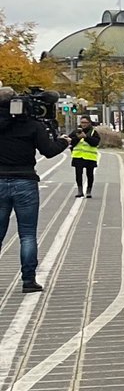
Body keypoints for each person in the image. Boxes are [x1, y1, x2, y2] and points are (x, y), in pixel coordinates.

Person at [0, 86, 65, 293]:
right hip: (25, 181)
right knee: (27, 234)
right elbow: (49, 151)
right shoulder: (32, 125)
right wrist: (64, 141)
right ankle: (28, 280)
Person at [68, 121, 101, 198]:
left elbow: (95, 142)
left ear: (89, 123)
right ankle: (80, 191)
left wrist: (86, 137)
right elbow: (70, 142)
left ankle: (88, 191)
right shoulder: (76, 132)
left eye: (86, 122)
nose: (84, 124)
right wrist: (78, 137)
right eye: (82, 122)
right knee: (78, 174)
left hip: (90, 157)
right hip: (78, 156)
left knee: (90, 174)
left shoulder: (93, 132)